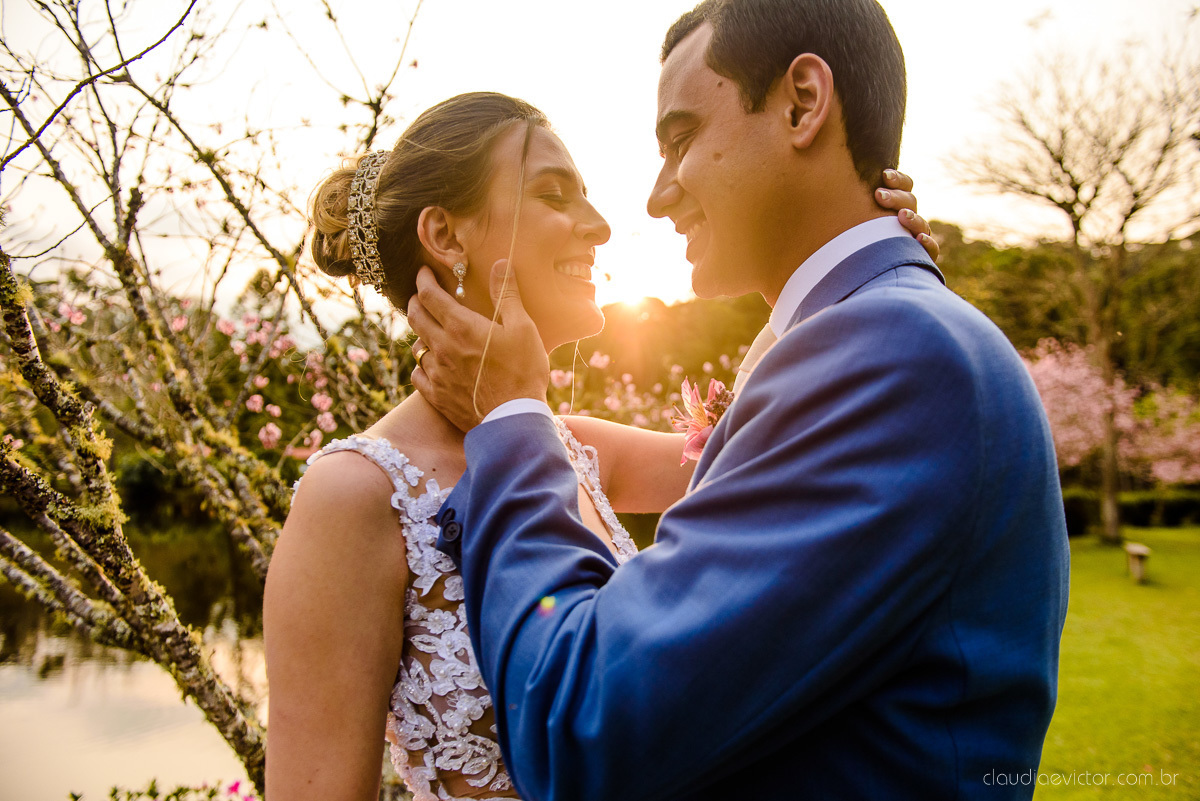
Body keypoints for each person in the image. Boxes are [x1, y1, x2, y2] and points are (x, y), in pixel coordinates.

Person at [405, 2, 1071, 800]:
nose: (653, 199)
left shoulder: (894, 355)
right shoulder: (880, 337)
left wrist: (510, 419)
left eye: (680, 139)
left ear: (801, 103)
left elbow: (583, 726)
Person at [262, 91, 933, 800]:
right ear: (445, 235)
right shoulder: (356, 494)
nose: (603, 226)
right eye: (554, 195)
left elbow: (792, 460)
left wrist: (860, 265)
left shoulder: (574, 447)